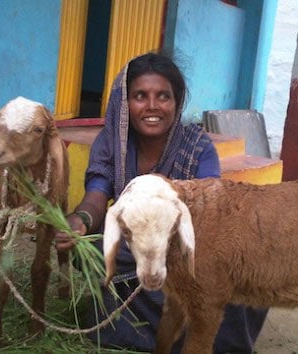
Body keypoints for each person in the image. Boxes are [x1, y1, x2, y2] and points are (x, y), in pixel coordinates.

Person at [55, 52, 267, 353]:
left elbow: (209, 210)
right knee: (92, 247)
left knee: (231, 276)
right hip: (134, 249)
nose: (152, 106)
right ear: (125, 103)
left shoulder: (198, 147)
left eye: (163, 96)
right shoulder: (112, 142)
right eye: (140, 96)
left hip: (185, 247)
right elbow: (98, 193)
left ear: (177, 102)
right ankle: (146, 331)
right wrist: (82, 221)